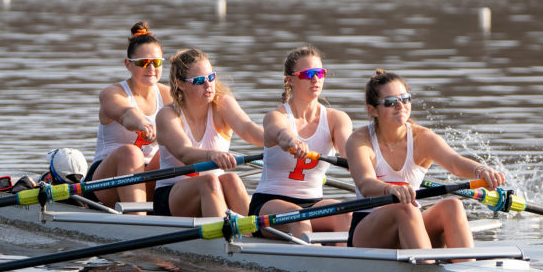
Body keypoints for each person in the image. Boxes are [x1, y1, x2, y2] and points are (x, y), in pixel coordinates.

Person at [345, 69, 505, 250]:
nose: (400, 105)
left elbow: (454, 162)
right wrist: (390, 189)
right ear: (373, 110)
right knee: (406, 209)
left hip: (411, 221)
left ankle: (467, 265)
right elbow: (366, 184)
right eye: (390, 102)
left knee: (452, 205)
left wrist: (481, 170)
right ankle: (427, 269)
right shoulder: (360, 140)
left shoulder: (422, 138)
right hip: (369, 230)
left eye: (405, 98)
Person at [248, 45, 353, 240]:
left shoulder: (337, 119)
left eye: (320, 73)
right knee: (300, 220)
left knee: (346, 215)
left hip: (313, 203)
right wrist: (293, 142)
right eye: (308, 74)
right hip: (269, 203)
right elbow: (281, 134)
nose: (316, 79)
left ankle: (342, 266)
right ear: (290, 80)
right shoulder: (275, 116)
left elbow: (349, 155)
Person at [153, 48, 263, 217]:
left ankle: (251, 237)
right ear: (180, 84)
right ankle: (222, 239)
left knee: (232, 179)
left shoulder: (222, 104)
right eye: (198, 81)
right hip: (172, 195)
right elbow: (184, 153)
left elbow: (248, 130)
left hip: (214, 191)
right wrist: (211, 155)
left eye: (211, 77)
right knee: (209, 181)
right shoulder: (168, 115)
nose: (208, 85)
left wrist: (282, 139)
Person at [86, 21, 172, 208]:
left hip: (149, 176)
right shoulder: (112, 93)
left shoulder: (168, 95)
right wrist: (142, 124)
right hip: (106, 181)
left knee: (175, 151)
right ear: (128, 64)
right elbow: (126, 114)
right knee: (131, 153)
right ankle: (139, 221)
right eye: (143, 63)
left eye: (156, 62)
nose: (151, 69)